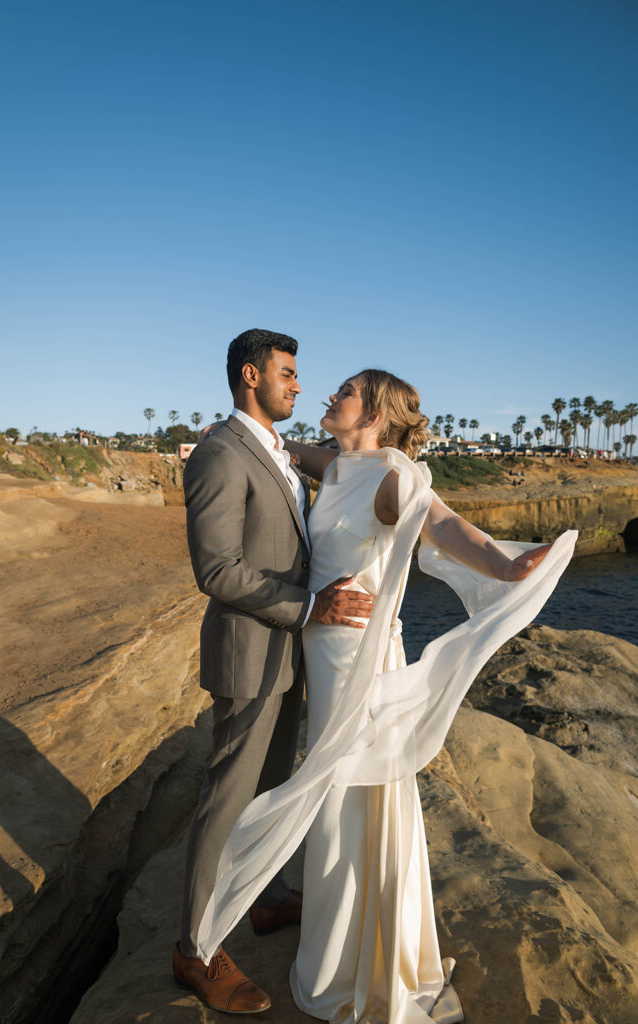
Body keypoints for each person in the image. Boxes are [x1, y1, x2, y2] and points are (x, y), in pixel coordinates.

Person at [192, 368, 577, 1023]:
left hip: (356, 659)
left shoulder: (393, 477)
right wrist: (230, 435)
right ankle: (330, 920)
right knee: (337, 789)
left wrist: (506, 565)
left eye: (344, 392)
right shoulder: (342, 464)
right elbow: (288, 451)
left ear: (372, 413)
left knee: (354, 792)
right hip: (323, 652)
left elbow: (442, 523)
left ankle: (358, 954)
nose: (328, 395)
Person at [173, 330, 375, 1015]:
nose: (298, 384)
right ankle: (195, 949)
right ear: (251, 376)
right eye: (287, 373)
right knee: (227, 799)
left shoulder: (279, 452)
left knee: (271, 788)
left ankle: (264, 898)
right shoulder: (220, 453)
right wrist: (311, 607)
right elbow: (216, 569)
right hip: (249, 650)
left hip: (289, 652)